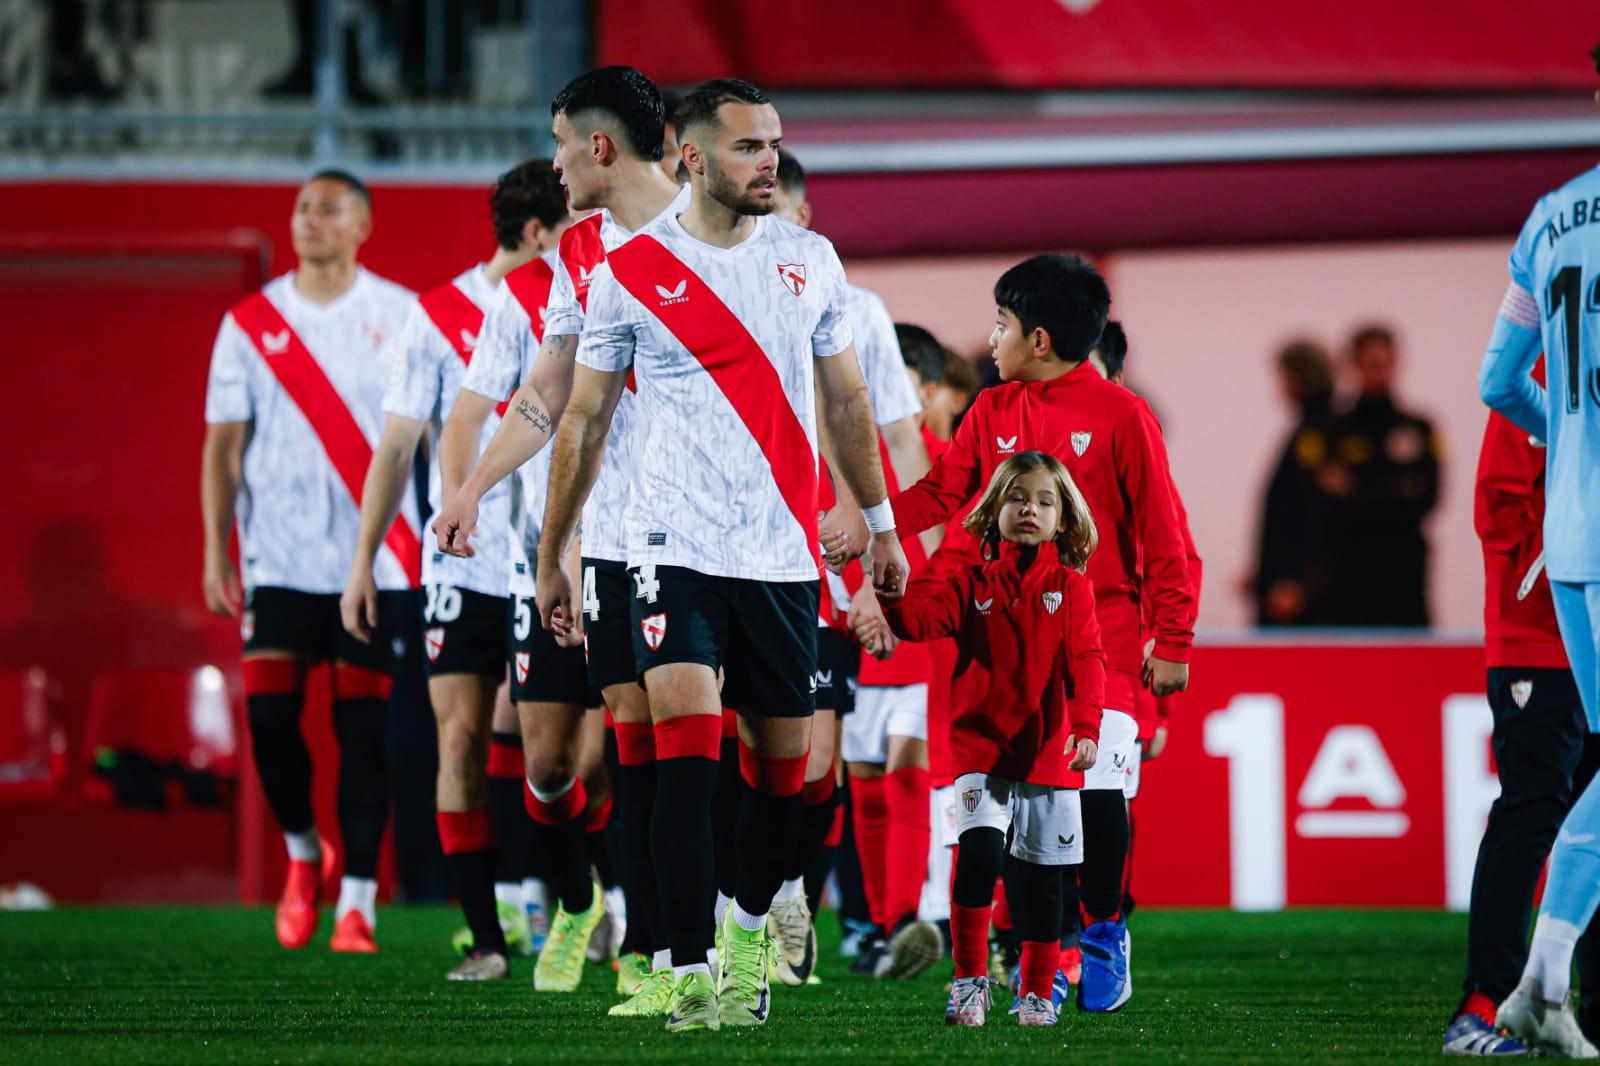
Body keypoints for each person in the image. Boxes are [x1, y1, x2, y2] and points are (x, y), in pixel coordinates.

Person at [534, 77, 909, 1033]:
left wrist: (883, 528)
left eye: (774, 144)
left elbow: (849, 404)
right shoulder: (628, 268)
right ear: (693, 158)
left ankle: (748, 924)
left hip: (782, 552)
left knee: (786, 781)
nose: (769, 161)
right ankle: (690, 967)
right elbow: (579, 420)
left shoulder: (811, 261)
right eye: (748, 147)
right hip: (670, 544)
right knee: (684, 763)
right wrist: (554, 553)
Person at [822, 253, 1195, 1015]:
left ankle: (1103, 930)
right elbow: (946, 492)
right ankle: (1048, 957)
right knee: (1031, 817)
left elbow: (1166, 536)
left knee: (1093, 793)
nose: (989, 339)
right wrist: (873, 522)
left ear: (1043, 338)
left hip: (1108, 642)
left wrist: (1175, 642)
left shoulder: (1122, 417)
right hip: (1010, 649)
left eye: (1001, 323)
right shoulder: (991, 412)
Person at [433, 64, 687, 1015]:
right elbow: (543, 394)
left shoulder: (714, 236)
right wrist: (471, 489)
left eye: (556, 141)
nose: (548, 161)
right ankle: (580, 899)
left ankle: (671, 948)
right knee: (547, 767)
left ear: (598, 143)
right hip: (563, 542)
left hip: (663, 545)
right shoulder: (577, 258)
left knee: (644, 751)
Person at [339, 159, 568, 981]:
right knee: (461, 736)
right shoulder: (437, 315)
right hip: (462, 565)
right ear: (541, 231)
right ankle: (491, 934)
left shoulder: (578, 295)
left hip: (547, 553)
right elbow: (400, 443)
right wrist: (365, 561)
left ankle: (566, 894)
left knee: (558, 743)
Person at [201, 170, 417, 953]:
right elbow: (223, 450)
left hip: (379, 564)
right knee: (268, 720)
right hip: (279, 560)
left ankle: (356, 898)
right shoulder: (250, 324)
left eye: (328, 210)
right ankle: (303, 852)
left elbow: (432, 435)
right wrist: (214, 549)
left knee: (364, 735)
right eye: (300, 208)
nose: (309, 220)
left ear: (362, 225)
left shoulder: (400, 316)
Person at [770, 148, 939, 982]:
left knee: (814, 766)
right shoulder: (681, 282)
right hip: (721, 553)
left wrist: (900, 550)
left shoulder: (855, 309)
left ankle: (791, 899)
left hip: (824, 565)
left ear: (801, 217)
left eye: (779, 203)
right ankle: (713, 920)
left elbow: (896, 436)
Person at [881, 450, 1104, 1028]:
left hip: (1049, 753)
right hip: (979, 751)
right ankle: (968, 983)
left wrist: (1086, 729)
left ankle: (1034, 991)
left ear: (1064, 520)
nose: (1030, 508)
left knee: (1040, 882)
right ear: (993, 510)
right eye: (1017, 497)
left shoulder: (1072, 589)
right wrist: (891, 594)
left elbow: (1087, 661)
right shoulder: (971, 584)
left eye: (1045, 501)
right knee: (978, 857)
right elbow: (918, 624)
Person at [1479, 45, 1600, 1052]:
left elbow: (1495, 384)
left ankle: (1540, 984)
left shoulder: (1551, 213)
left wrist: (1568, 446)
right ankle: (1541, 981)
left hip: (1572, 533)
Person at [1443, 396, 1599, 1055]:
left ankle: (1582, 1009)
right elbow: (1500, 504)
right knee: (1533, 811)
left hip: (1585, 638)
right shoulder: (1541, 378)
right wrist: (1561, 579)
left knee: (1590, 824)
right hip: (1540, 641)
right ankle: (1484, 1007)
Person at [1320, 325, 1441, 627]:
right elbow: (1324, 504)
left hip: (1404, 573)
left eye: (1384, 363)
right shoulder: (1332, 431)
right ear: (1353, 365)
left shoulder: (1419, 428)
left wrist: (1355, 489)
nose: (1379, 371)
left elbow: (1427, 498)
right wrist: (1394, 491)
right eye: (1370, 363)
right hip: (1347, 575)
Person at [1249, 340, 1337, 627]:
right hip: (1289, 582)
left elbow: (1314, 515)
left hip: (1299, 592)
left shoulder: (1317, 433)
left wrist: (1296, 580)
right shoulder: (1308, 430)